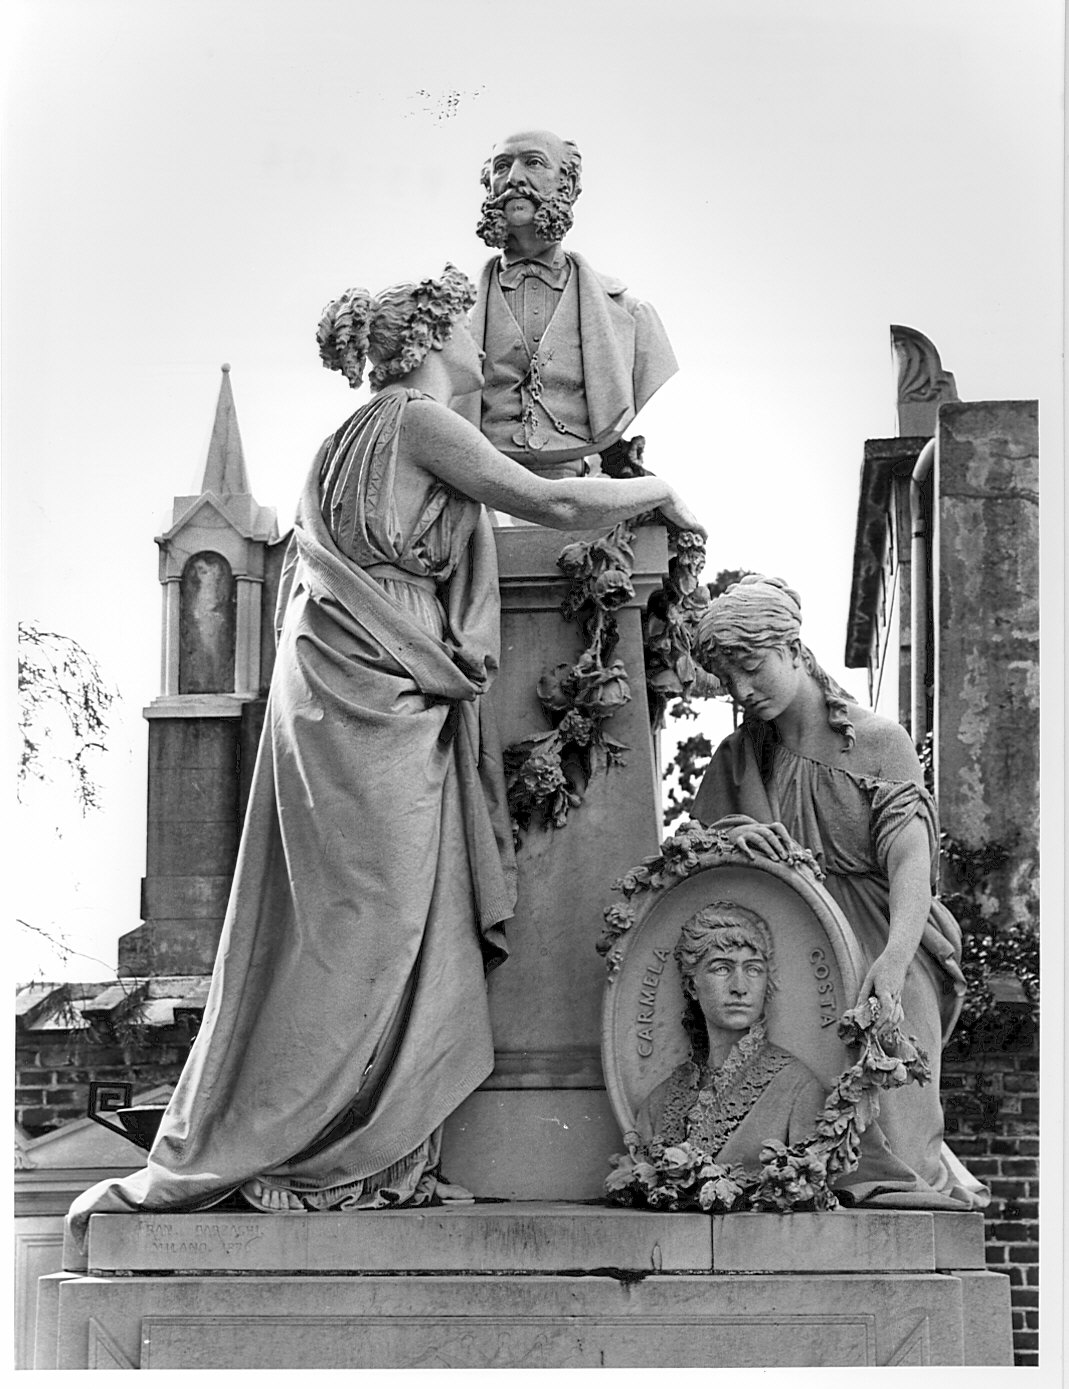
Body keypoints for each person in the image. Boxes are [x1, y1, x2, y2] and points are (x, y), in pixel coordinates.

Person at [66, 264, 704, 1252]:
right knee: (380, 928)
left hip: (332, 698)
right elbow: (553, 503)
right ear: (429, 343)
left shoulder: (338, 442)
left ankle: (368, 1144)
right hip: (384, 692)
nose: (484, 354)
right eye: (467, 336)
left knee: (349, 928)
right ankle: (314, 1141)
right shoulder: (416, 421)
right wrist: (660, 485)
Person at [691, 575, 988, 1208]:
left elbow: (911, 866)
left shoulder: (879, 741)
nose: (742, 691)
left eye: (752, 667)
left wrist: (894, 960)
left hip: (886, 938)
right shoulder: (740, 759)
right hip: (793, 951)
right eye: (728, 680)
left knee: (900, 1137)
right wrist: (735, 838)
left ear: (795, 650)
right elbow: (699, 874)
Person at [464, 129, 678, 477]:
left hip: (579, 481)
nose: (515, 178)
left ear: (567, 185)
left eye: (533, 163)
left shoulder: (632, 316)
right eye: (502, 167)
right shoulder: (453, 320)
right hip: (481, 488)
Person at [636, 903, 827, 1174]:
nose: (739, 987)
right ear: (692, 985)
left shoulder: (799, 1090)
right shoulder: (657, 1104)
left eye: (753, 969)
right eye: (722, 969)